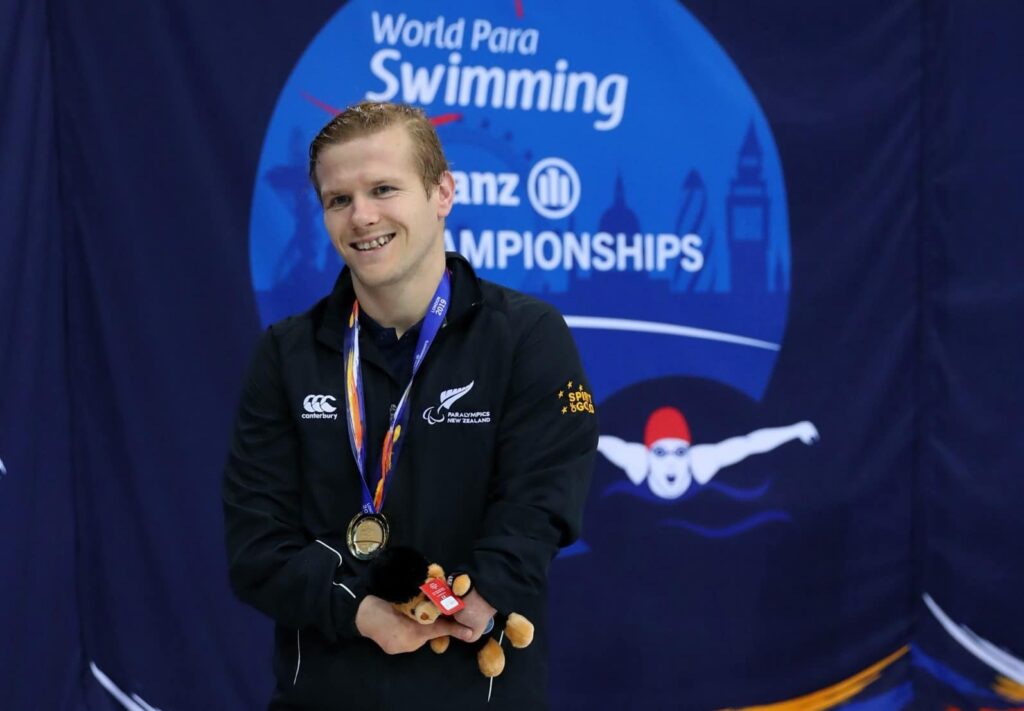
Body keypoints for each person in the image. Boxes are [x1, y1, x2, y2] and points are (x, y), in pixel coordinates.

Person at [223, 101, 597, 710]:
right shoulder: (287, 355)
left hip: (478, 687)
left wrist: (480, 595)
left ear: (442, 192)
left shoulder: (526, 337)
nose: (361, 216)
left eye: (383, 188)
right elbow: (256, 546)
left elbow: (541, 504)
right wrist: (360, 611)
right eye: (338, 199)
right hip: (324, 692)